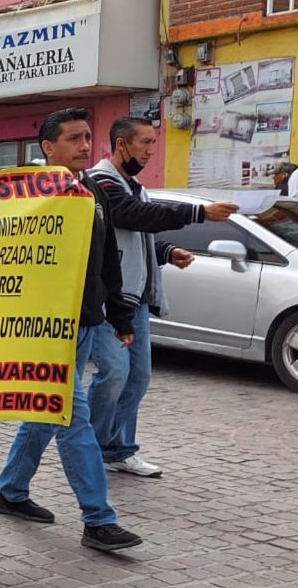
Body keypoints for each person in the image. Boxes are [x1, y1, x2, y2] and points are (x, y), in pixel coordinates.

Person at [0, 107, 143, 553]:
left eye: (86, 138)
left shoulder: (93, 190)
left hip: (81, 325)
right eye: (73, 139)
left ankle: (11, 491)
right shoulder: (28, 194)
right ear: (47, 147)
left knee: (43, 414)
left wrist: (119, 317)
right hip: (42, 331)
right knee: (72, 418)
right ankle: (98, 518)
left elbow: (108, 261)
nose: (83, 147)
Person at [87, 118, 239, 478]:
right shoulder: (102, 183)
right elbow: (132, 216)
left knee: (137, 378)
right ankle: (88, 448)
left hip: (137, 298)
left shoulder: (134, 185)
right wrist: (198, 213)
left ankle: (117, 449)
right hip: (112, 297)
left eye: (154, 144)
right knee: (113, 374)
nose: (151, 151)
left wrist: (168, 252)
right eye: (145, 143)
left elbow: (136, 234)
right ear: (121, 144)